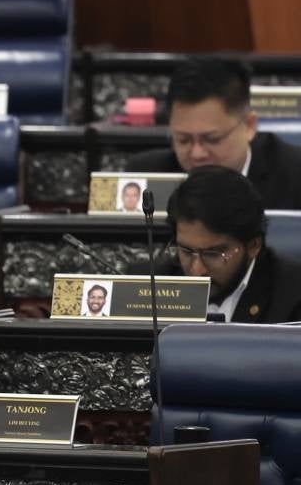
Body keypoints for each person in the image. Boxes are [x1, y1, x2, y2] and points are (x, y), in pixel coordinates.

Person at [129, 166, 301, 323]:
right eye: (186, 251)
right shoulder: (145, 285)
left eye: (213, 254)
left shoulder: (293, 295)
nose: (197, 271)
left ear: (253, 246)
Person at [127, 57, 301, 209]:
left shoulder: (294, 175)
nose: (197, 154)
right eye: (183, 140)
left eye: (212, 139)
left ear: (249, 126)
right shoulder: (145, 177)